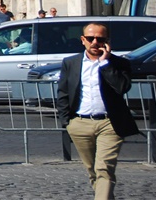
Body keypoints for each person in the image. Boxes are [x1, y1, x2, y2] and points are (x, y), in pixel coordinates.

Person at [56, 22, 138, 200]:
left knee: (104, 168)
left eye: (100, 39)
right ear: (83, 40)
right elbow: (63, 92)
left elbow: (122, 87)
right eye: (91, 38)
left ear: (107, 41)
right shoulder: (71, 63)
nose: (95, 42)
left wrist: (105, 63)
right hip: (80, 123)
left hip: (110, 123)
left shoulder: (119, 63)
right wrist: (67, 121)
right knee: (93, 171)